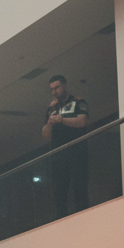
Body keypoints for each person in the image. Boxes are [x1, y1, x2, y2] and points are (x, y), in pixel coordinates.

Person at [42, 75, 90, 220]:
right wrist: (50, 123)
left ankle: (83, 217)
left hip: (76, 151)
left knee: (79, 186)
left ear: (64, 85)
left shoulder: (78, 101)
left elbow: (81, 122)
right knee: (58, 190)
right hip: (58, 154)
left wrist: (62, 120)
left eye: (56, 87)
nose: (54, 91)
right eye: (52, 89)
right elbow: (45, 136)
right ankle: (60, 220)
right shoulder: (51, 108)